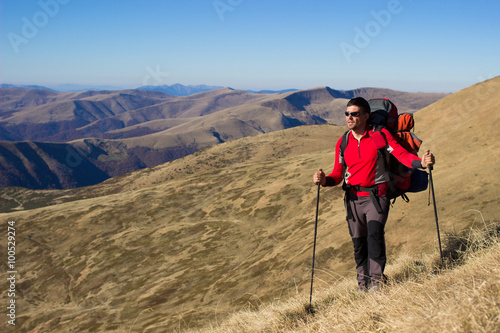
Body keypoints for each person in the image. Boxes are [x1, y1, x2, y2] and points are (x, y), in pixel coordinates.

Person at [313, 97, 435, 292]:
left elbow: (401, 155)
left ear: (366, 116)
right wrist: (324, 180)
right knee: (359, 244)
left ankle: (377, 285)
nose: (349, 117)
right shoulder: (344, 141)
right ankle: (363, 286)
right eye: (347, 114)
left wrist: (421, 163)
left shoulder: (380, 134)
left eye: (354, 114)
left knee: (374, 237)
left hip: (377, 197)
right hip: (352, 199)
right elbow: (337, 174)